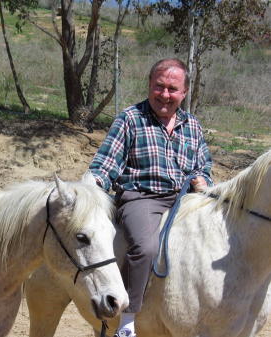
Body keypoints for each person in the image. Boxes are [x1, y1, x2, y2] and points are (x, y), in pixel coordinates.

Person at [89, 58, 213, 337]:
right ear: (149, 86)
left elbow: (203, 163)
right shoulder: (130, 118)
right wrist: (92, 183)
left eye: (172, 89)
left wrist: (203, 179)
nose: (165, 95)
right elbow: (106, 163)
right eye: (159, 87)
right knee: (145, 247)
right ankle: (128, 321)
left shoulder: (192, 124)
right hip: (142, 198)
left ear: (184, 93)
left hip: (187, 198)